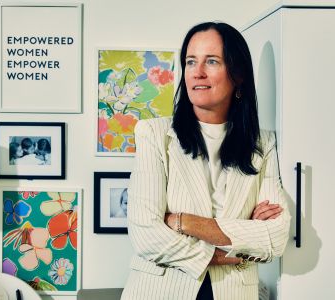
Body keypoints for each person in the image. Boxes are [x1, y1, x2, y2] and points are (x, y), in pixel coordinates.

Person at [121, 22, 291, 300]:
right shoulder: (154, 134)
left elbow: (275, 238)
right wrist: (231, 249)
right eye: (190, 62)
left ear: (238, 75)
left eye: (211, 61)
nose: (197, 72)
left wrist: (183, 221)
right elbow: (146, 235)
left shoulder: (263, 144)